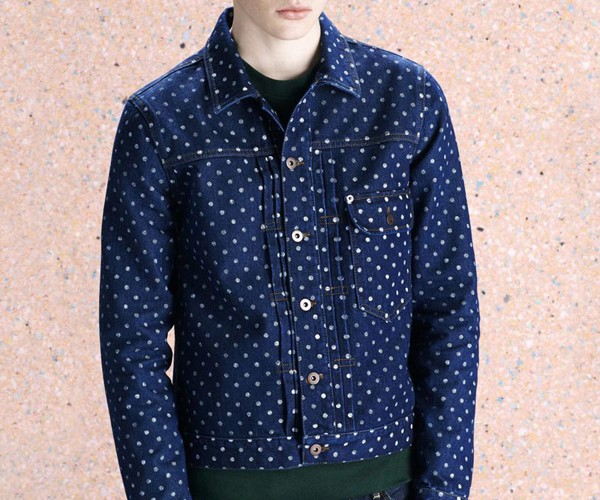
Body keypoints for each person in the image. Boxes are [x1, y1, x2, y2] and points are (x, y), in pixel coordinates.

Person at [98, 1, 481, 499]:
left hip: (385, 486)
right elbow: (131, 340)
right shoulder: (160, 121)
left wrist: (443, 492)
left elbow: (448, 310)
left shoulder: (406, 101)